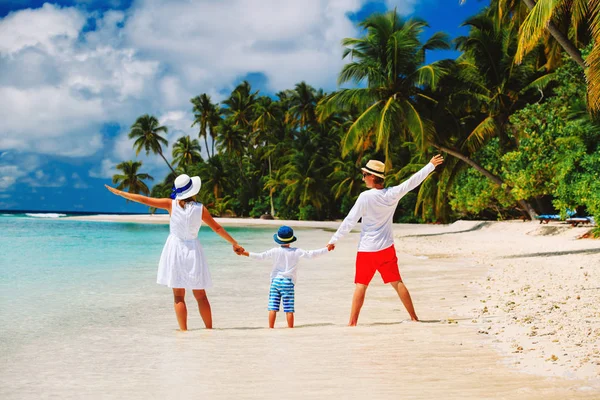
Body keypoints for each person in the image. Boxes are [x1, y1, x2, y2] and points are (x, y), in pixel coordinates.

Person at [105, 174, 244, 331]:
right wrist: (234, 243)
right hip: (193, 250)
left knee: (179, 296)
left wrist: (121, 193)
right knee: (201, 295)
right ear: (193, 191)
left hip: (175, 249)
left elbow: (144, 200)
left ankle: (183, 331)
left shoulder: (170, 204)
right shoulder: (200, 209)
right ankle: (209, 330)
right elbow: (217, 228)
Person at [326, 155, 444, 326]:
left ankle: (352, 324)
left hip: (367, 250)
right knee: (397, 282)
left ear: (372, 177)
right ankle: (414, 318)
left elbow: (350, 220)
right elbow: (412, 182)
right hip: (386, 249)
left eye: (365, 174)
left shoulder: (365, 197)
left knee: (361, 285)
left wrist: (334, 240)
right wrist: (430, 166)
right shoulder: (392, 194)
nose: (363, 178)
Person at [237, 226, 330, 328]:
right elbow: (312, 254)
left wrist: (244, 253)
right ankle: (290, 329)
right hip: (288, 283)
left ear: (278, 239)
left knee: (272, 307)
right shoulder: (296, 251)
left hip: (275, 282)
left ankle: (270, 328)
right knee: (289, 309)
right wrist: (327, 249)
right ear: (291, 240)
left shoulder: (274, 251)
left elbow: (260, 256)